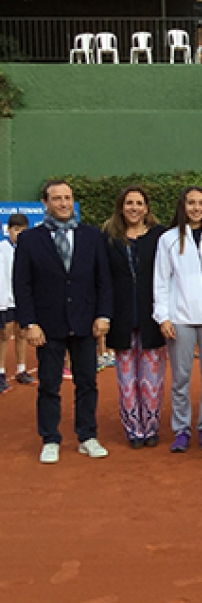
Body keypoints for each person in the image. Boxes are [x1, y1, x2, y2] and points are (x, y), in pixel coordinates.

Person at [14, 179, 113, 464]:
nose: (63, 203)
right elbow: (22, 285)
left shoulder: (92, 236)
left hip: (85, 323)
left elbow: (103, 281)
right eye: (56, 199)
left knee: (87, 383)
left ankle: (87, 436)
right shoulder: (30, 240)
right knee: (48, 385)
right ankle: (50, 438)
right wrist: (29, 323)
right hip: (47, 326)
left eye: (68, 198)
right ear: (45, 203)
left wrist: (103, 316)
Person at [153, 186, 202, 453]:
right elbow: (160, 282)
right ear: (182, 206)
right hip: (180, 319)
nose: (196, 208)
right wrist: (163, 316)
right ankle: (181, 429)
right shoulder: (168, 240)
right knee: (181, 378)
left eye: (201, 203)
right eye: (191, 203)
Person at [102, 186, 167, 449]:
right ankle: (133, 429)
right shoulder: (108, 237)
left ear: (147, 208)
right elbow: (103, 278)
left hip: (152, 318)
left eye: (139, 203)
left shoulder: (160, 236)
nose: (134, 208)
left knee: (152, 380)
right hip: (121, 318)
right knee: (127, 381)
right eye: (129, 203)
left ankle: (150, 427)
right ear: (121, 206)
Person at [0, 213, 34, 392]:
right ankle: (1, 372)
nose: (19, 234)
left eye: (23, 230)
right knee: (4, 336)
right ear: (9, 230)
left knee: (22, 334)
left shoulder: (27, 249)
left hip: (22, 300)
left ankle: (21, 370)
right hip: (6, 301)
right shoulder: (2, 249)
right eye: (16, 230)